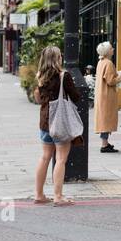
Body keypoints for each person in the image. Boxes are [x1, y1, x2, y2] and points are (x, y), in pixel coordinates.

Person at [32, 45, 82, 206]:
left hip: (45, 122)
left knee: (45, 156)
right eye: (60, 56)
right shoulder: (63, 76)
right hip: (59, 122)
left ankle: (39, 195)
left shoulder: (41, 76)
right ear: (56, 59)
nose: (61, 58)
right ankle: (58, 196)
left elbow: (38, 99)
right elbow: (75, 96)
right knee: (60, 159)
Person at [93, 41, 121, 153]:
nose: (113, 50)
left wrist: (116, 73)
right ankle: (104, 144)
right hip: (107, 96)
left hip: (101, 95)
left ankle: (106, 143)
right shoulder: (108, 63)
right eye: (111, 48)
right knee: (106, 120)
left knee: (104, 119)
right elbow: (110, 81)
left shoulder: (101, 62)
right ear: (107, 52)